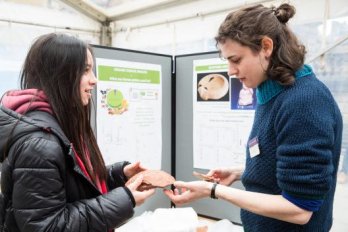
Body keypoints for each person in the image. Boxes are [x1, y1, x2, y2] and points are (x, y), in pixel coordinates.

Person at [164, 3, 343, 232]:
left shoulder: (304, 101)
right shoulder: (273, 92)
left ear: (266, 46)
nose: (230, 70)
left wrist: (214, 191)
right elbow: (281, 156)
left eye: (236, 60)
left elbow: (300, 208)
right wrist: (240, 172)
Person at [0, 33, 155, 231]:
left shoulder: (57, 123)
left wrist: (119, 175)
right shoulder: (40, 143)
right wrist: (125, 199)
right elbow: (48, 226)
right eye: (85, 71)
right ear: (59, 75)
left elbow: (73, 184)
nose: (94, 80)